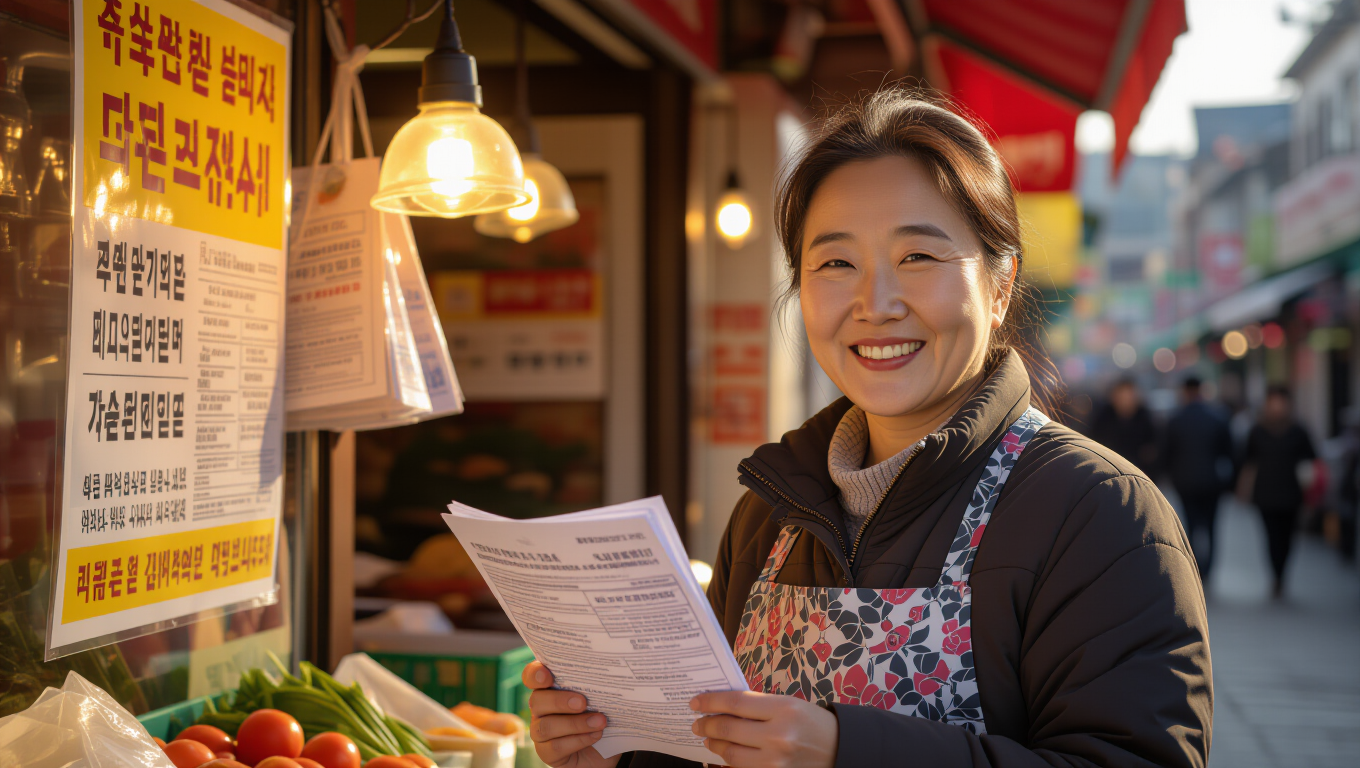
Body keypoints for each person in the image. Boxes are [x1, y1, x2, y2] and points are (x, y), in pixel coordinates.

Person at [523, 91, 1211, 768]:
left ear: (1000, 287)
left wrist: (847, 752)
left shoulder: (1098, 511)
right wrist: (614, 753)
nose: (874, 304)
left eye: (918, 257)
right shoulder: (768, 513)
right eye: (835, 263)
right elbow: (706, 744)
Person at [1243, 386, 1317, 598]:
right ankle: (1276, 575)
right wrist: (1243, 489)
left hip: (1292, 494)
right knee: (1271, 536)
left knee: (1288, 537)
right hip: (1265, 493)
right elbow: (1249, 462)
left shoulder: (1298, 431)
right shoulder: (1257, 430)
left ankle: (1282, 573)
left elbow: (1310, 461)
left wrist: (1311, 491)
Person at [1162, 377, 1234, 581]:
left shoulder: (1175, 419)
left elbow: (1166, 453)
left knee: (1191, 527)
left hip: (1185, 482)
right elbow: (1230, 452)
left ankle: (1194, 567)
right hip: (1212, 482)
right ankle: (1208, 570)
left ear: (1184, 391)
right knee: (1212, 527)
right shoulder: (1218, 417)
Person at [1090, 378, 1158, 474]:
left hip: (1139, 473)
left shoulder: (1145, 419)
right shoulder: (1103, 418)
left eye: (1129, 396)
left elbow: (1152, 450)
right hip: (1108, 471)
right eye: (1122, 396)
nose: (1125, 401)